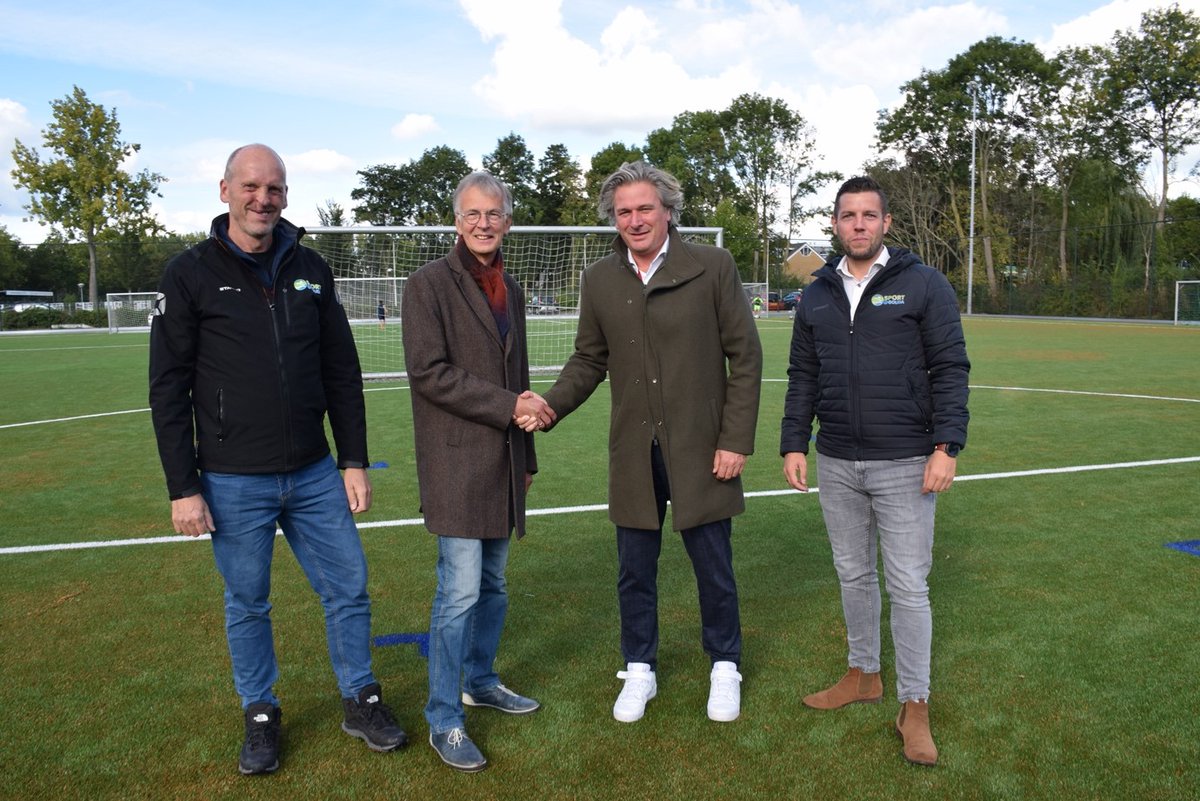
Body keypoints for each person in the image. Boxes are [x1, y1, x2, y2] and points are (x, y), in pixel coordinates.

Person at [148, 144, 408, 776]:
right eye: (251, 186)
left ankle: (360, 698)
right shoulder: (188, 274)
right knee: (248, 601)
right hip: (234, 479)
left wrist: (353, 460)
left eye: (275, 188)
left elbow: (342, 372)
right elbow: (167, 387)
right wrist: (185, 487)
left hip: (316, 473)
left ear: (286, 195)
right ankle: (261, 713)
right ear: (224, 190)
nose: (262, 199)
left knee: (347, 587)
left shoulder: (312, 268)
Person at [526, 161, 762, 724]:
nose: (635, 219)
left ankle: (724, 665)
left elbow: (746, 358)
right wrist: (552, 403)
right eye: (624, 211)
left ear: (668, 211)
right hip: (634, 449)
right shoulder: (601, 278)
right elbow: (589, 358)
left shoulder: (713, 265)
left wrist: (735, 441)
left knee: (713, 566)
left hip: (702, 447)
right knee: (634, 569)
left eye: (645, 208)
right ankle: (639, 669)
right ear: (614, 216)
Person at [780, 175, 970, 767]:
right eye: (847, 216)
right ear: (834, 225)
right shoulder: (816, 293)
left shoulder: (923, 284)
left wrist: (947, 445)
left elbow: (950, 366)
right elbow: (802, 377)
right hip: (837, 459)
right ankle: (863, 674)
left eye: (869, 215)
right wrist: (795, 443)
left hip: (907, 459)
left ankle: (915, 705)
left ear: (887, 223)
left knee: (909, 586)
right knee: (853, 575)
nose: (858, 224)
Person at [401, 170, 554, 773]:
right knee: (458, 592)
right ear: (456, 221)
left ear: (507, 222)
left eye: (493, 214)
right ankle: (444, 717)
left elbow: (515, 378)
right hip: (456, 464)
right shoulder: (426, 285)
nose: (483, 224)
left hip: (504, 462)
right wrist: (508, 407)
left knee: (493, 587)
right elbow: (429, 372)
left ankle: (481, 680)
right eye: (472, 214)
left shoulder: (509, 288)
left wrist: (528, 456)